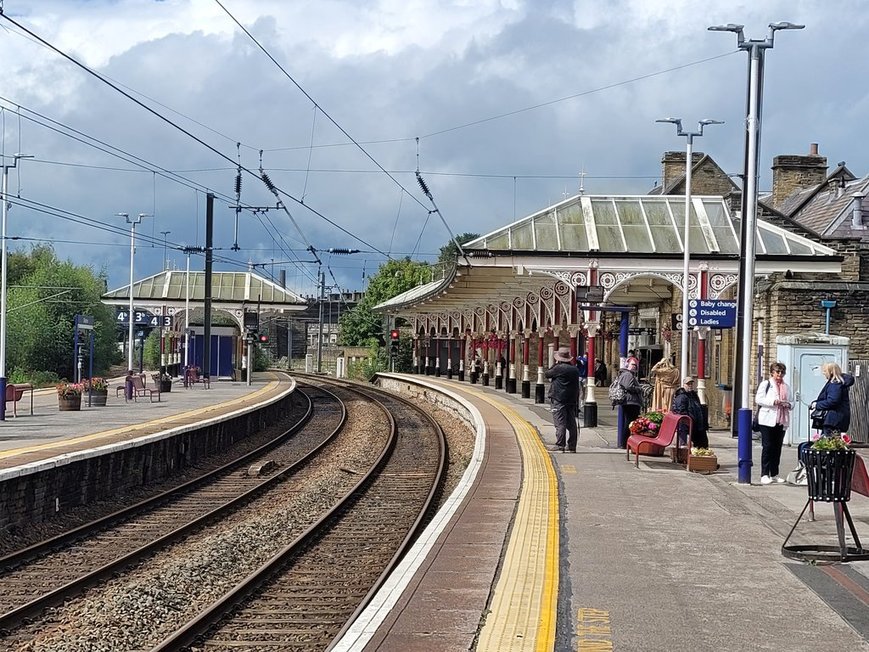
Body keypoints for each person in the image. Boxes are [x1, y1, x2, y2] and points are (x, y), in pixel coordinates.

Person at [755, 361, 794, 485]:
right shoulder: (766, 384)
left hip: (781, 420)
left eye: (782, 372)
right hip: (767, 420)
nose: (780, 374)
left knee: (777, 448)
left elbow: (792, 402)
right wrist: (773, 401)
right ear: (772, 372)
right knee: (767, 447)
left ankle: (774, 473)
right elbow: (759, 399)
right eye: (778, 372)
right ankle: (765, 474)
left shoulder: (786, 387)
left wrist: (788, 404)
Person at [545, 347, 581, 453]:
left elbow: (547, 374)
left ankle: (560, 444)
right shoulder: (575, 369)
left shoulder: (558, 368)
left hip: (558, 399)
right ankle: (572, 446)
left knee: (560, 422)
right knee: (571, 423)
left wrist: (556, 364)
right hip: (571, 400)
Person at [812, 361, 855, 436]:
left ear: (831, 371)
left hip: (833, 420)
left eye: (825, 371)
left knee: (829, 444)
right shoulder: (839, 383)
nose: (823, 373)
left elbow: (833, 401)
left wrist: (817, 405)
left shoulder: (835, 384)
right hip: (838, 419)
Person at [671, 376, 708, 448]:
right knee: (698, 440)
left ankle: (701, 454)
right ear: (684, 385)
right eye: (688, 384)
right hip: (689, 424)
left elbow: (698, 406)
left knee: (703, 442)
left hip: (697, 424)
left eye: (691, 384)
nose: (690, 386)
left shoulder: (693, 395)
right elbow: (681, 411)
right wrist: (691, 420)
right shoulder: (681, 396)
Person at [617, 358, 643, 445]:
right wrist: (639, 389)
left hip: (630, 401)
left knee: (629, 422)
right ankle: (625, 443)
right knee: (629, 423)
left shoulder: (627, 374)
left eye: (635, 365)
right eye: (632, 365)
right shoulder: (628, 375)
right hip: (630, 402)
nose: (634, 367)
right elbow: (628, 386)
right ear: (627, 365)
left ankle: (625, 442)